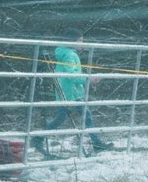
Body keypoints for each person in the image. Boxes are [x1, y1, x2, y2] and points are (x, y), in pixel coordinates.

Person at [32, 28, 112, 156]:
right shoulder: (70, 55)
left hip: (68, 92)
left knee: (81, 117)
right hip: (69, 93)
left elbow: (71, 74)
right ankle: (37, 139)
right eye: (80, 41)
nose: (82, 44)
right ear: (72, 41)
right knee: (64, 118)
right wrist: (88, 79)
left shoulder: (66, 53)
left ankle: (96, 142)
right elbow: (71, 75)